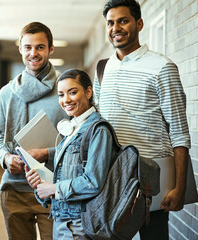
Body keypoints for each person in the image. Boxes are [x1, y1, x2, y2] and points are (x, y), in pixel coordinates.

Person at [94, 0, 191, 239]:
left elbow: (179, 131)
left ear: (139, 23)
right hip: (112, 177)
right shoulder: (102, 70)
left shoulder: (162, 67)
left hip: (152, 180)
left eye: (123, 21)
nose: (115, 27)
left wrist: (180, 188)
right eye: (110, 23)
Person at [0, 21, 68, 239]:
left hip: (53, 186)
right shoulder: (6, 93)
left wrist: (47, 153)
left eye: (40, 47)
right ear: (20, 48)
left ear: (50, 49)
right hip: (14, 189)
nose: (33, 53)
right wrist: (6, 158)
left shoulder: (65, 91)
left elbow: (78, 138)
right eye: (27, 47)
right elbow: (0, 137)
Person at [25, 69, 115, 239]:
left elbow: (93, 182)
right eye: (61, 94)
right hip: (61, 219)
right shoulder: (71, 130)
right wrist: (40, 185)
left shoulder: (98, 130)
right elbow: (63, 179)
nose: (66, 100)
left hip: (79, 224)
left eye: (72, 92)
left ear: (88, 92)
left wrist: (53, 188)